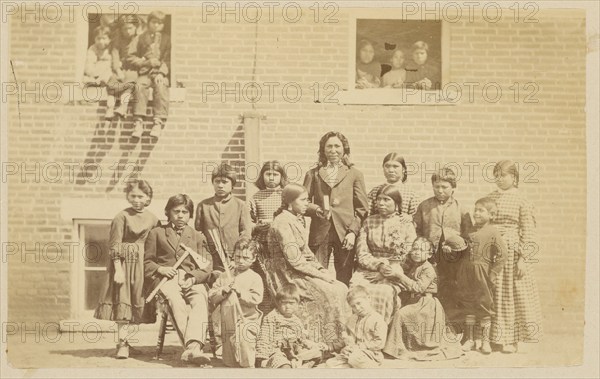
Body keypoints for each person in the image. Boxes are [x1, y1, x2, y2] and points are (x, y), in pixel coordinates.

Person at [266, 183, 349, 347]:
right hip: (286, 274)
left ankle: (339, 339)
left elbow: (307, 254)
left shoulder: (295, 219)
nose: (307, 204)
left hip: (298, 269)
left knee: (341, 287)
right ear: (290, 202)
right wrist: (320, 276)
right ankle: (323, 341)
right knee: (330, 292)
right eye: (303, 200)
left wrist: (321, 270)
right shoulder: (282, 222)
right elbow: (294, 260)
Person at [144, 194, 213, 364]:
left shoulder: (197, 236)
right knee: (174, 299)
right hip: (166, 280)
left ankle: (193, 347)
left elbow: (207, 265)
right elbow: (147, 262)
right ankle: (192, 348)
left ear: (190, 214)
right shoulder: (157, 233)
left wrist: (194, 278)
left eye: (185, 211)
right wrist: (161, 268)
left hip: (190, 278)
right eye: (176, 211)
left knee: (200, 297)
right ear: (168, 212)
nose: (180, 215)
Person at [94, 179, 159, 359]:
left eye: (141, 196)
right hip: (123, 263)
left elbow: (156, 243)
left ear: (148, 197)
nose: (137, 200)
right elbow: (114, 245)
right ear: (127, 197)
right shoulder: (121, 217)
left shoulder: (153, 218)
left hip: (142, 264)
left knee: (136, 302)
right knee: (123, 301)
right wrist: (118, 270)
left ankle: (127, 341)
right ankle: (122, 344)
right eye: (133, 196)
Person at [487, 160, 542, 353]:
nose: (499, 179)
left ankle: (511, 340)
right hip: (492, 251)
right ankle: (494, 337)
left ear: (514, 178)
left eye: (503, 175)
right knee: (493, 293)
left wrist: (523, 259)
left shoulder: (522, 200)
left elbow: (528, 231)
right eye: (496, 175)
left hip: (512, 254)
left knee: (511, 294)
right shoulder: (490, 198)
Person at [303, 131, 369, 286]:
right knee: (317, 276)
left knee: (344, 277)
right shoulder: (313, 174)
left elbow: (362, 209)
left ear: (344, 149)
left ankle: (344, 308)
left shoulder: (355, 174)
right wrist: (317, 210)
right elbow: (302, 203)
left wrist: (353, 232)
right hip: (320, 232)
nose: (333, 150)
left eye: (337, 146)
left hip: (345, 233)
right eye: (329, 147)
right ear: (323, 150)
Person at [350, 184, 416, 323]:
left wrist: (388, 271)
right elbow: (362, 253)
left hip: (395, 271)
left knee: (384, 292)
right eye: (379, 199)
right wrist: (379, 266)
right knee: (356, 290)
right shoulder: (369, 222)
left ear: (397, 203)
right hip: (369, 270)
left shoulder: (406, 224)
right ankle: (357, 332)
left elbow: (409, 254)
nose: (381, 203)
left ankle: (380, 333)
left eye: (386, 200)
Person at [413, 167, 472, 313]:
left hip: (453, 257)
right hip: (430, 255)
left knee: (451, 286)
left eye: (444, 187)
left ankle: (451, 321)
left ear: (453, 188)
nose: (440, 190)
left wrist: (457, 247)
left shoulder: (461, 209)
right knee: (432, 285)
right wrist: (422, 247)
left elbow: (468, 234)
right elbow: (416, 229)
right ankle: (431, 316)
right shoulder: (424, 206)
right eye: (436, 187)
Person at [453, 198, 507, 355]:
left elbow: (502, 255)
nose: (476, 213)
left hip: (482, 273)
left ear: (491, 215)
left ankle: (485, 341)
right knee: (468, 305)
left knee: (484, 306)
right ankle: (469, 339)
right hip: (465, 272)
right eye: (475, 209)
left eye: (481, 210)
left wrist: (493, 274)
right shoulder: (469, 231)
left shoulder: (493, 232)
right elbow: (461, 249)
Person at [383, 237, 445, 359]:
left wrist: (400, 276)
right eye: (415, 248)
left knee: (401, 314)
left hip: (426, 303)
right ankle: (394, 346)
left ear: (429, 254)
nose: (416, 252)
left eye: (421, 250)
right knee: (394, 311)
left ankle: (394, 350)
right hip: (415, 300)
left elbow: (418, 288)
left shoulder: (428, 268)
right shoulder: (416, 266)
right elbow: (409, 284)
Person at [208, 236, 263, 367]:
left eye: (246, 258)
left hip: (246, 321)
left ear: (254, 259)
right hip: (227, 322)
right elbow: (212, 295)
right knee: (230, 361)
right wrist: (223, 291)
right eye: (237, 257)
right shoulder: (225, 275)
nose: (240, 261)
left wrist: (240, 293)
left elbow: (256, 298)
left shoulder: (255, 277)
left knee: (245, 350)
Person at [195, 163, 251, 276]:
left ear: (232, 185)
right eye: (217, 181)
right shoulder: (204, 206)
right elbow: (198, 233)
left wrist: (236, 257)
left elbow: (245, 234)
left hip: (233, 260)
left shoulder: (240, 205)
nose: (220, 185)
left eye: (225, 182)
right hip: (211, 258)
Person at [248, 160, 289, 312]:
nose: (271, 178)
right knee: (264, 277)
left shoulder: (286, 195)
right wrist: (257, 226)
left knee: (281, 278)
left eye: (275, 174)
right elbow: (248, 222)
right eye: (268, 174)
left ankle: (283, 310)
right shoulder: (256, 197)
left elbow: (296, 217)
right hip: (262, 244)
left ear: (281, 176)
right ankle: (265, 311)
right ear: (262, 176)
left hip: (281, 244)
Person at [255, 284, 327, 368]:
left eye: (291, 303)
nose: (288, 306)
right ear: (278, 303)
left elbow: (302, 338)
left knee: (318, 353)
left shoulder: (296, 320)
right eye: (284, 303)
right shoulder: (272, 317)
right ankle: (291, 367)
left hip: (295, 350)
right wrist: (262, 358)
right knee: (284, 365)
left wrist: (312, 344)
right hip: (278, 350)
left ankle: (303, 365)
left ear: (297, 304)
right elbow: (264, 337)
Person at [130, 11, 171, 138]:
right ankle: (138, 123)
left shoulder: (167, 39)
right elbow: (131, 57)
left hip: (159, 73)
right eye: (154, 22)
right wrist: (146, 62)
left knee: (161, 85)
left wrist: (162, 73)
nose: (157, 25)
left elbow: (169, 58)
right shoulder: (140, 38)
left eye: (160, 23)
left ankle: (157, 123)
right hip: (145, 73)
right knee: (139, 85)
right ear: (148, 23)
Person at [326, 286, 387, 368]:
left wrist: (360, 347)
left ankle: (373, 370)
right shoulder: (352, 319)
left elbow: (379, 343)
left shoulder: (377, 319)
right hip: (352, 353)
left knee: (354, 358)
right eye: (353, 306)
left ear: (368, 299)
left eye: (359, 303)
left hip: (371, 354)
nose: (357, 308)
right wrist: (332, 346)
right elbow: (346, 339)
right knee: (330, 363)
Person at [83, 25, 135, 120]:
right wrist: (96, 73)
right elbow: (89, 67)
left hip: (110, 74)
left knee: (117, 78)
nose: (101, 41)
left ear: (110, 39)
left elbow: (117, 62)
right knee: (88, 78)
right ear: (94, 39)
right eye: (98, 38)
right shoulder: (93, 49)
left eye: (104, 38)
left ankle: (114, 107)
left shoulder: (112, 48)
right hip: (97, 74)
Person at [367, 153, 419, 217]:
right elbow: (368, 215)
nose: (391, 170)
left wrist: (409, 218)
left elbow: (416, 218)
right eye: (387, 166)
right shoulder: (375, 191)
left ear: (403, 169)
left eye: (395, 166)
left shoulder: (411, 194)